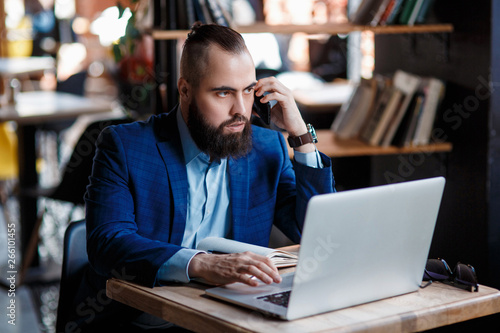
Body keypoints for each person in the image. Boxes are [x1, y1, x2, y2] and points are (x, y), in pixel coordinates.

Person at [73, 23, 335, 332]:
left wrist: (302, 137)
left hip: (229, 316)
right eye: (223, 92)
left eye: (248, 91)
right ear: (185, 90)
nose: (241, 111)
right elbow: (107, 243)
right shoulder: (125, 146)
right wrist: (202, 263)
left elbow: (314, 232)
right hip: (138, 321)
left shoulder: (268, 147)